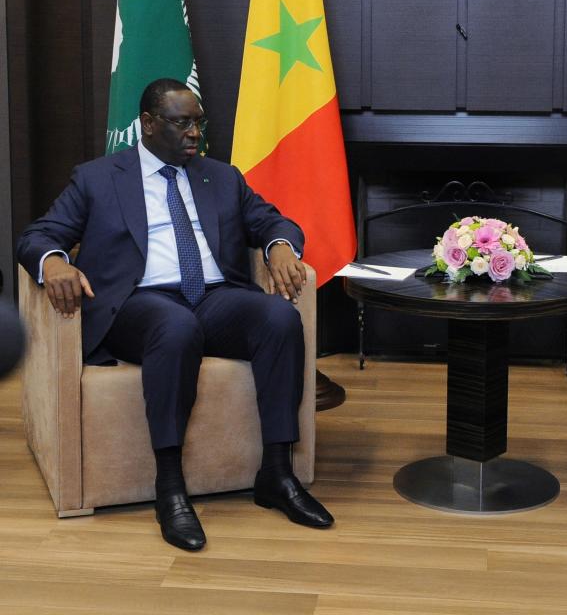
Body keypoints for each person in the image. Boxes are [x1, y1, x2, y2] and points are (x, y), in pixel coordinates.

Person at [17, 78, 333, 551]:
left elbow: (272, 221)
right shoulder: (98, 177)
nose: (194, 134)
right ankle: (169, 487)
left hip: (213, 295)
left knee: (278, 318)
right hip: (138, 304)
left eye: (198, 123)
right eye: (182, 122)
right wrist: (55, 261)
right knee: (175, 326)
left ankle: (277, 473)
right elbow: (38, 236)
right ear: (148, 124)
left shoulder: (222, 177)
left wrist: (281, 247)